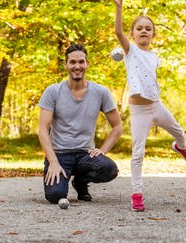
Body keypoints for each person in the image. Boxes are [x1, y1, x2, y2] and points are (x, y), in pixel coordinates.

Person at [113, 0, 186, 211]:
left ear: (153, 35)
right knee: (138, 152)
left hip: (156, 106)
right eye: (139, 28)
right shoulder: (130, 51)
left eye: (148, 29)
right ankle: (137, 194)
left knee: (179, 131)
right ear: (132, 34)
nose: (144, 31)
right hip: (139, 112)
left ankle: (181, 147)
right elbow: (117, 32)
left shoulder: (155, 57)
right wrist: (119, 8)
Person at [38, 44, 123, 205]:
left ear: (87, 64)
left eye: (81, 62)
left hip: (85, 154)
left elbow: (117, 127)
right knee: (56, 196)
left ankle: (80, 182)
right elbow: (43, 129)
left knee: (109, 169)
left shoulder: (101, 92)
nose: (77, 66)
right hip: (60, 155)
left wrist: (102, 151)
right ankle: (62, 177)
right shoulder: (53, 92)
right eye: (72, 62)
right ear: (66, 65)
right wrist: (53, 162)